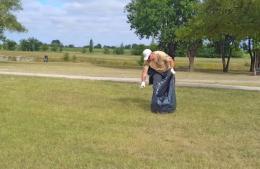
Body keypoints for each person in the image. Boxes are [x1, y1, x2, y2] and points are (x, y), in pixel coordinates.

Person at [140, 49, 176, 113]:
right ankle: (156, 106)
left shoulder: (161, 55)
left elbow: (171, 60)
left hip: (167, 71)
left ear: (152, 54)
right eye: (147, 58)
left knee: (169, 88)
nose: (148, 59)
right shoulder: (147, 61)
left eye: (149, 57)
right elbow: (144, 72)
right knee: (156, 87)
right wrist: (143, 82)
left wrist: (172, 69)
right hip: (157, 72)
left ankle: (168, 106)